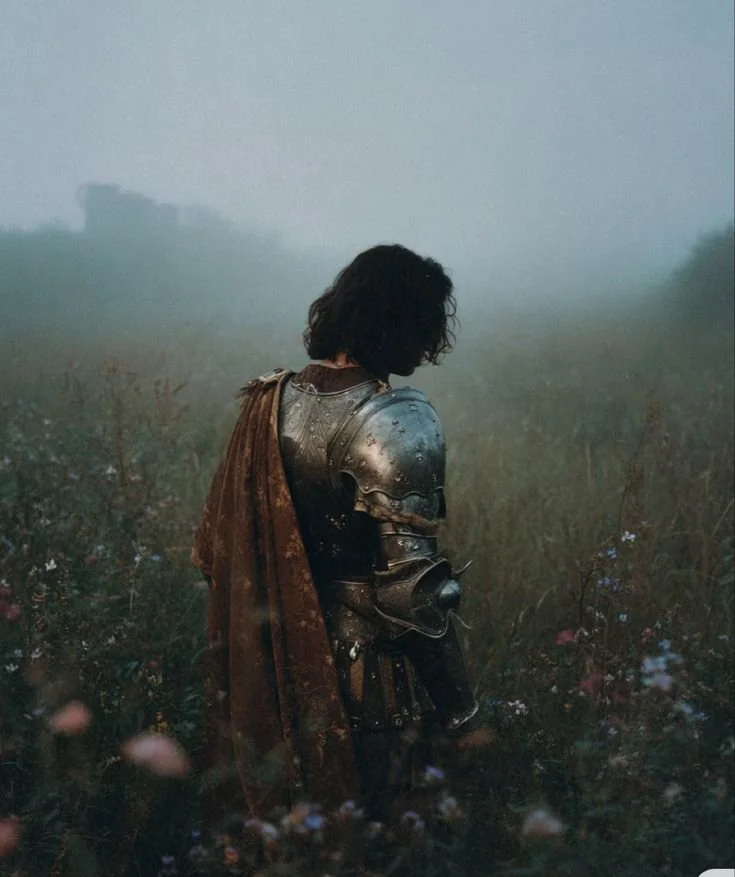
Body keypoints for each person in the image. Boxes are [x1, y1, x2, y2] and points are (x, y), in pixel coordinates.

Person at [191, 244, 477, 830]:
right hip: (370, 675)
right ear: (398, 321)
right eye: (424, 324)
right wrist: (462, 708)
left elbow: (213, 551)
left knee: (297, 836)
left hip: (277, 659)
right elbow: (411, 593)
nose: (429, 344)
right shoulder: (394, 420)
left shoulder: (275, 400)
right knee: (381, 836)